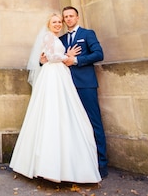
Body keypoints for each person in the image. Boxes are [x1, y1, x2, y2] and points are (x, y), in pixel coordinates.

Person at [10, 14, 101, 184]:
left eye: (60, 21)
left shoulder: (59, 38)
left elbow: (49, 56)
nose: (59, 23)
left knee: (66, 114)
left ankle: (74, 165)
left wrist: (64, 56)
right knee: (52, 112)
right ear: (48, 24)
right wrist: (68, 57)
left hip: (60, 76)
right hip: (53, 76)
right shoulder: (48, 36)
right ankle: (48, 165)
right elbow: (51, 57)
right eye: (55, 21)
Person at [60, 6, 108, 178]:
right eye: (66, 17)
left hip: (86, 85)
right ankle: (79, 164)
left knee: (94, 123)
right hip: (66, 87)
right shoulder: (61, 39)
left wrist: (76, 60)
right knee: (73, 126)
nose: (69, 19)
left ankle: (102, 164)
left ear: (77, 17)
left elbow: (98, 54)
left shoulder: (88, 34)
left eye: (71, 16)